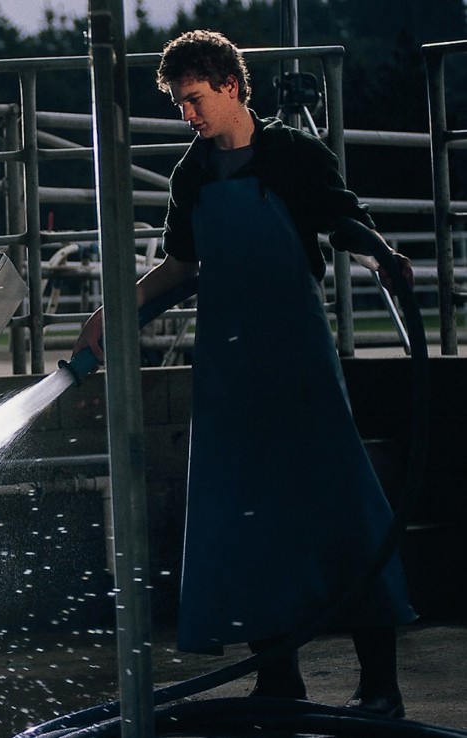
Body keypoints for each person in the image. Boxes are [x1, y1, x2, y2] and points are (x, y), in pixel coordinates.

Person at [73, 29, 417, 718]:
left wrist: (380, 255)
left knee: (339, 509)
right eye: (178, 104)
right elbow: (181, 265)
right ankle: (278, 677)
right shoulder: (191, 174)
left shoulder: (294, 154)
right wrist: (114, 310)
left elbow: (341, 219)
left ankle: (379, 685)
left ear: (231, 84)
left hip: (297, 359)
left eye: (194, 99)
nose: (188, 115)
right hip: (228, 368)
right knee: (247, 518)